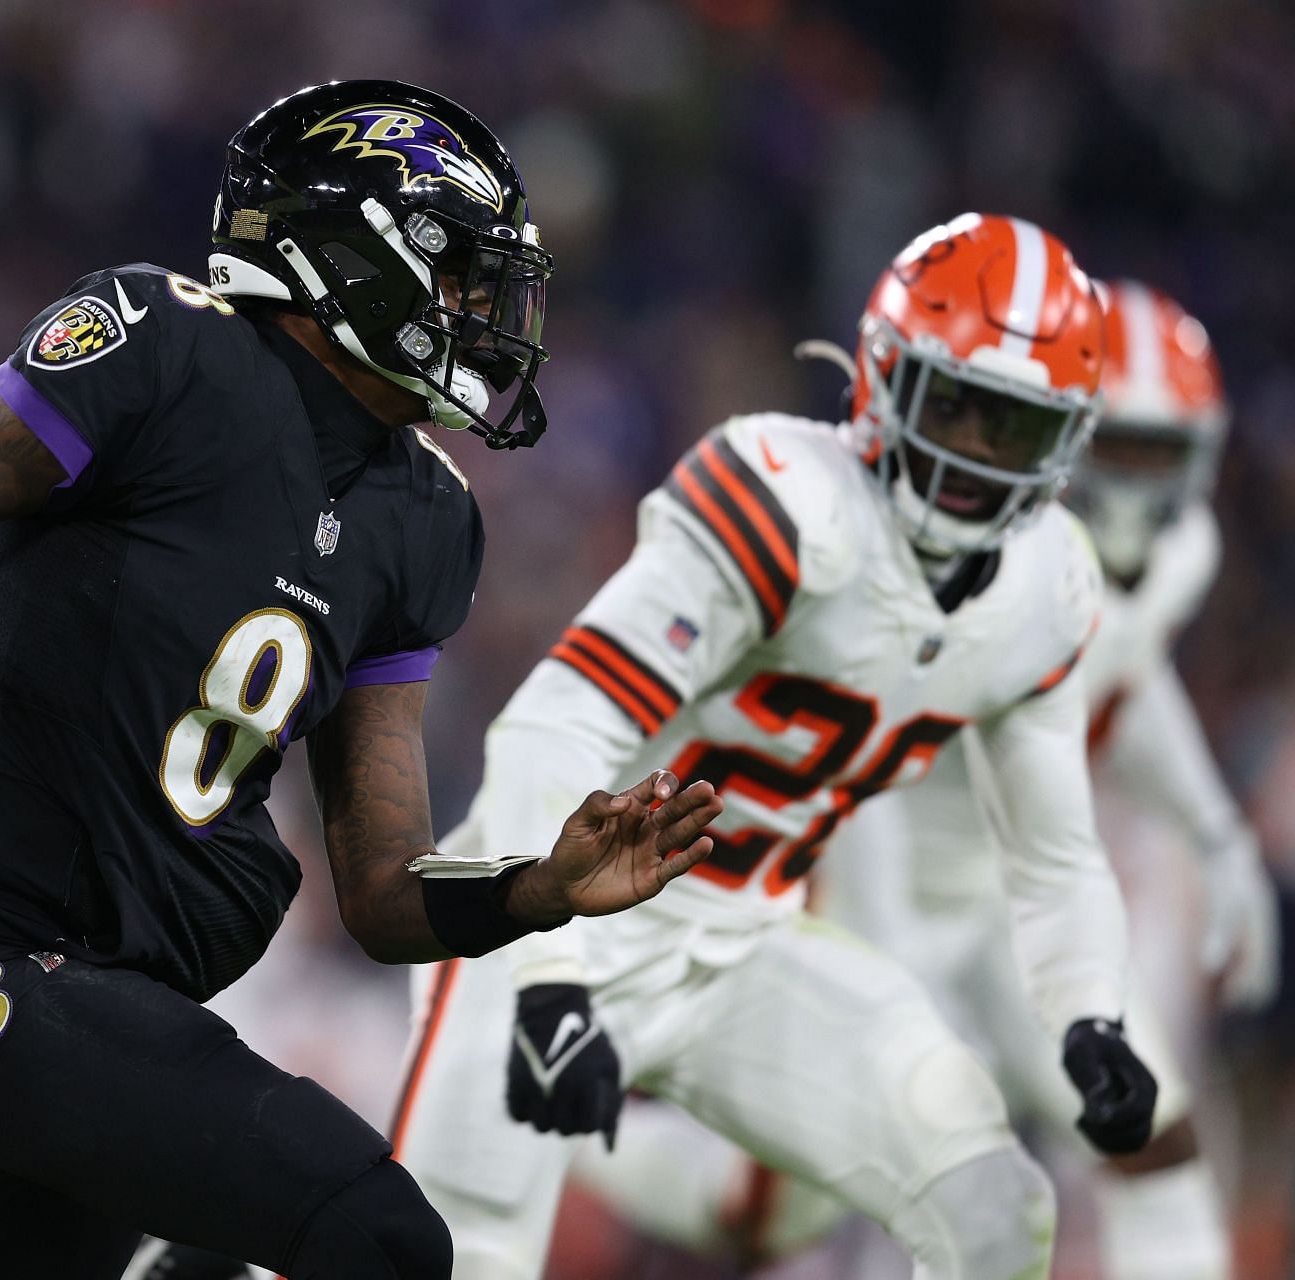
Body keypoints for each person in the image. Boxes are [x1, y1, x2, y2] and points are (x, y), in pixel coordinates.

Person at [0, 79, 721, 1280]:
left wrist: (535, 887)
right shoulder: (166, 346)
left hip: (119, 1003)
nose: (476, 309)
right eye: (455, 271)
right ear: (352, 252)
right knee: (382, 1234)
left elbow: (381, 887)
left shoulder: (426, 520)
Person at [390, 213, 1159, 1280]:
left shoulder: (1048, 584)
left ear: (1065, 438)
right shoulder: (789, 499)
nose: (977, 452)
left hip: (745, 942)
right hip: (552, 908)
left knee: (994, 1204)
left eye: (1014, 426)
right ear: (887, 376)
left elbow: (1054, 847)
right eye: (958, 407)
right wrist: (550, 970)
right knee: (452, 1253)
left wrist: (1093, 1018)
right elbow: (558, 721)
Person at [568, 279, 1279, 1280]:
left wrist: (1212, 830)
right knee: (782, 1203)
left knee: (1149, 1125)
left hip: (998, 899)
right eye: (1115, 444)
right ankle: (563, 1126)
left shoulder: (1176, 556)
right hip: (858, 869)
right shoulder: (961, 563)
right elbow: (870, 770)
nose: (1133, 483)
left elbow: (1130, 667)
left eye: (1158, 452)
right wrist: (889, 978)